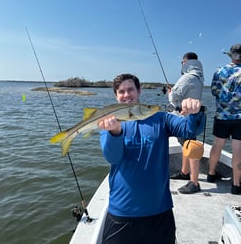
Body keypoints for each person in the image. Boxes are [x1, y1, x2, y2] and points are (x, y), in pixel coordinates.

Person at [98, 73, 205, 244]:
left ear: (139, 91)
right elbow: (113, 157)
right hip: (122, 211)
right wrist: (115, 132)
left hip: (159, 211)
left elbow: (190, 130)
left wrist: (195, 112)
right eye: (121, 92)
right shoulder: (109, 122)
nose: (126, 95)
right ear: (116, 96)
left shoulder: (161, 118)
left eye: (130, 89)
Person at [207, 44, 241, 195]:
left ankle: (211, 174)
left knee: (217, 145)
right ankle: (236, 185)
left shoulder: (219, 71)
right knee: (238, 150)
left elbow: (214, 91)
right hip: (240, 118)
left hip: (221, 116)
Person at [169, 52, 204, 194]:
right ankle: (185, 172)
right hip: (192, 118)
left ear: (185, 62)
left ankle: (194, 182)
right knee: (186, 145)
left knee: (190, 147)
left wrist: (170, 93)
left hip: (184, 118)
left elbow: (174, 96)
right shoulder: (199, 77)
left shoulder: (188, 77)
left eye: (182, 63)